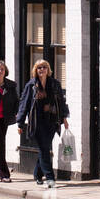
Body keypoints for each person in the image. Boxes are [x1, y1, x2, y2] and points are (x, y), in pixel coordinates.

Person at [16, 58, 69, 188]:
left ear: (48, 69)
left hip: (51, 121)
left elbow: (61, 102)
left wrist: (64, 117)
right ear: (35, 70)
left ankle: (38, 174)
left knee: (44, 148)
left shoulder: (55, 84)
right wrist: (20, 122)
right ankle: (50, 178)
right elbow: (24, 103)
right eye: (39, 67)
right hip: (37, 121)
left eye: (44, 67)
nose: (42, 70)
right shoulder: (31, 85)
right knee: (44, 149)